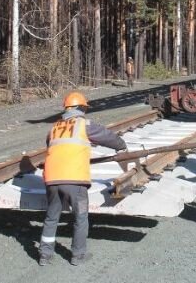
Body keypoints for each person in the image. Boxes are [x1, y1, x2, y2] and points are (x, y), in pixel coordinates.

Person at [39, 91, 127, 266]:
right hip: (74, 179)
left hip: (52, 179)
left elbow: (52, 146)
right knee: (80, 218)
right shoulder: (84, 125)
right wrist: (121, 146)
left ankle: (44, 255)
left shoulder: (54, 128)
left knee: (51, 218)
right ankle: (77, 255)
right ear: (81, 108)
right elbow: (108, 137)